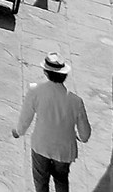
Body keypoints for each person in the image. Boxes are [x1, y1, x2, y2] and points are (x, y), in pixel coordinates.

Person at [12, 53, 93, 191]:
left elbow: (25, 119)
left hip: (41, 145)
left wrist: (18, 132)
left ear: (45, 72)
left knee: (41, 182)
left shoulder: (36, 91)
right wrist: (79, 137)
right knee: (61, 180)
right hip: (64, 150)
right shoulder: (76, 101)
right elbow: (85, 135)